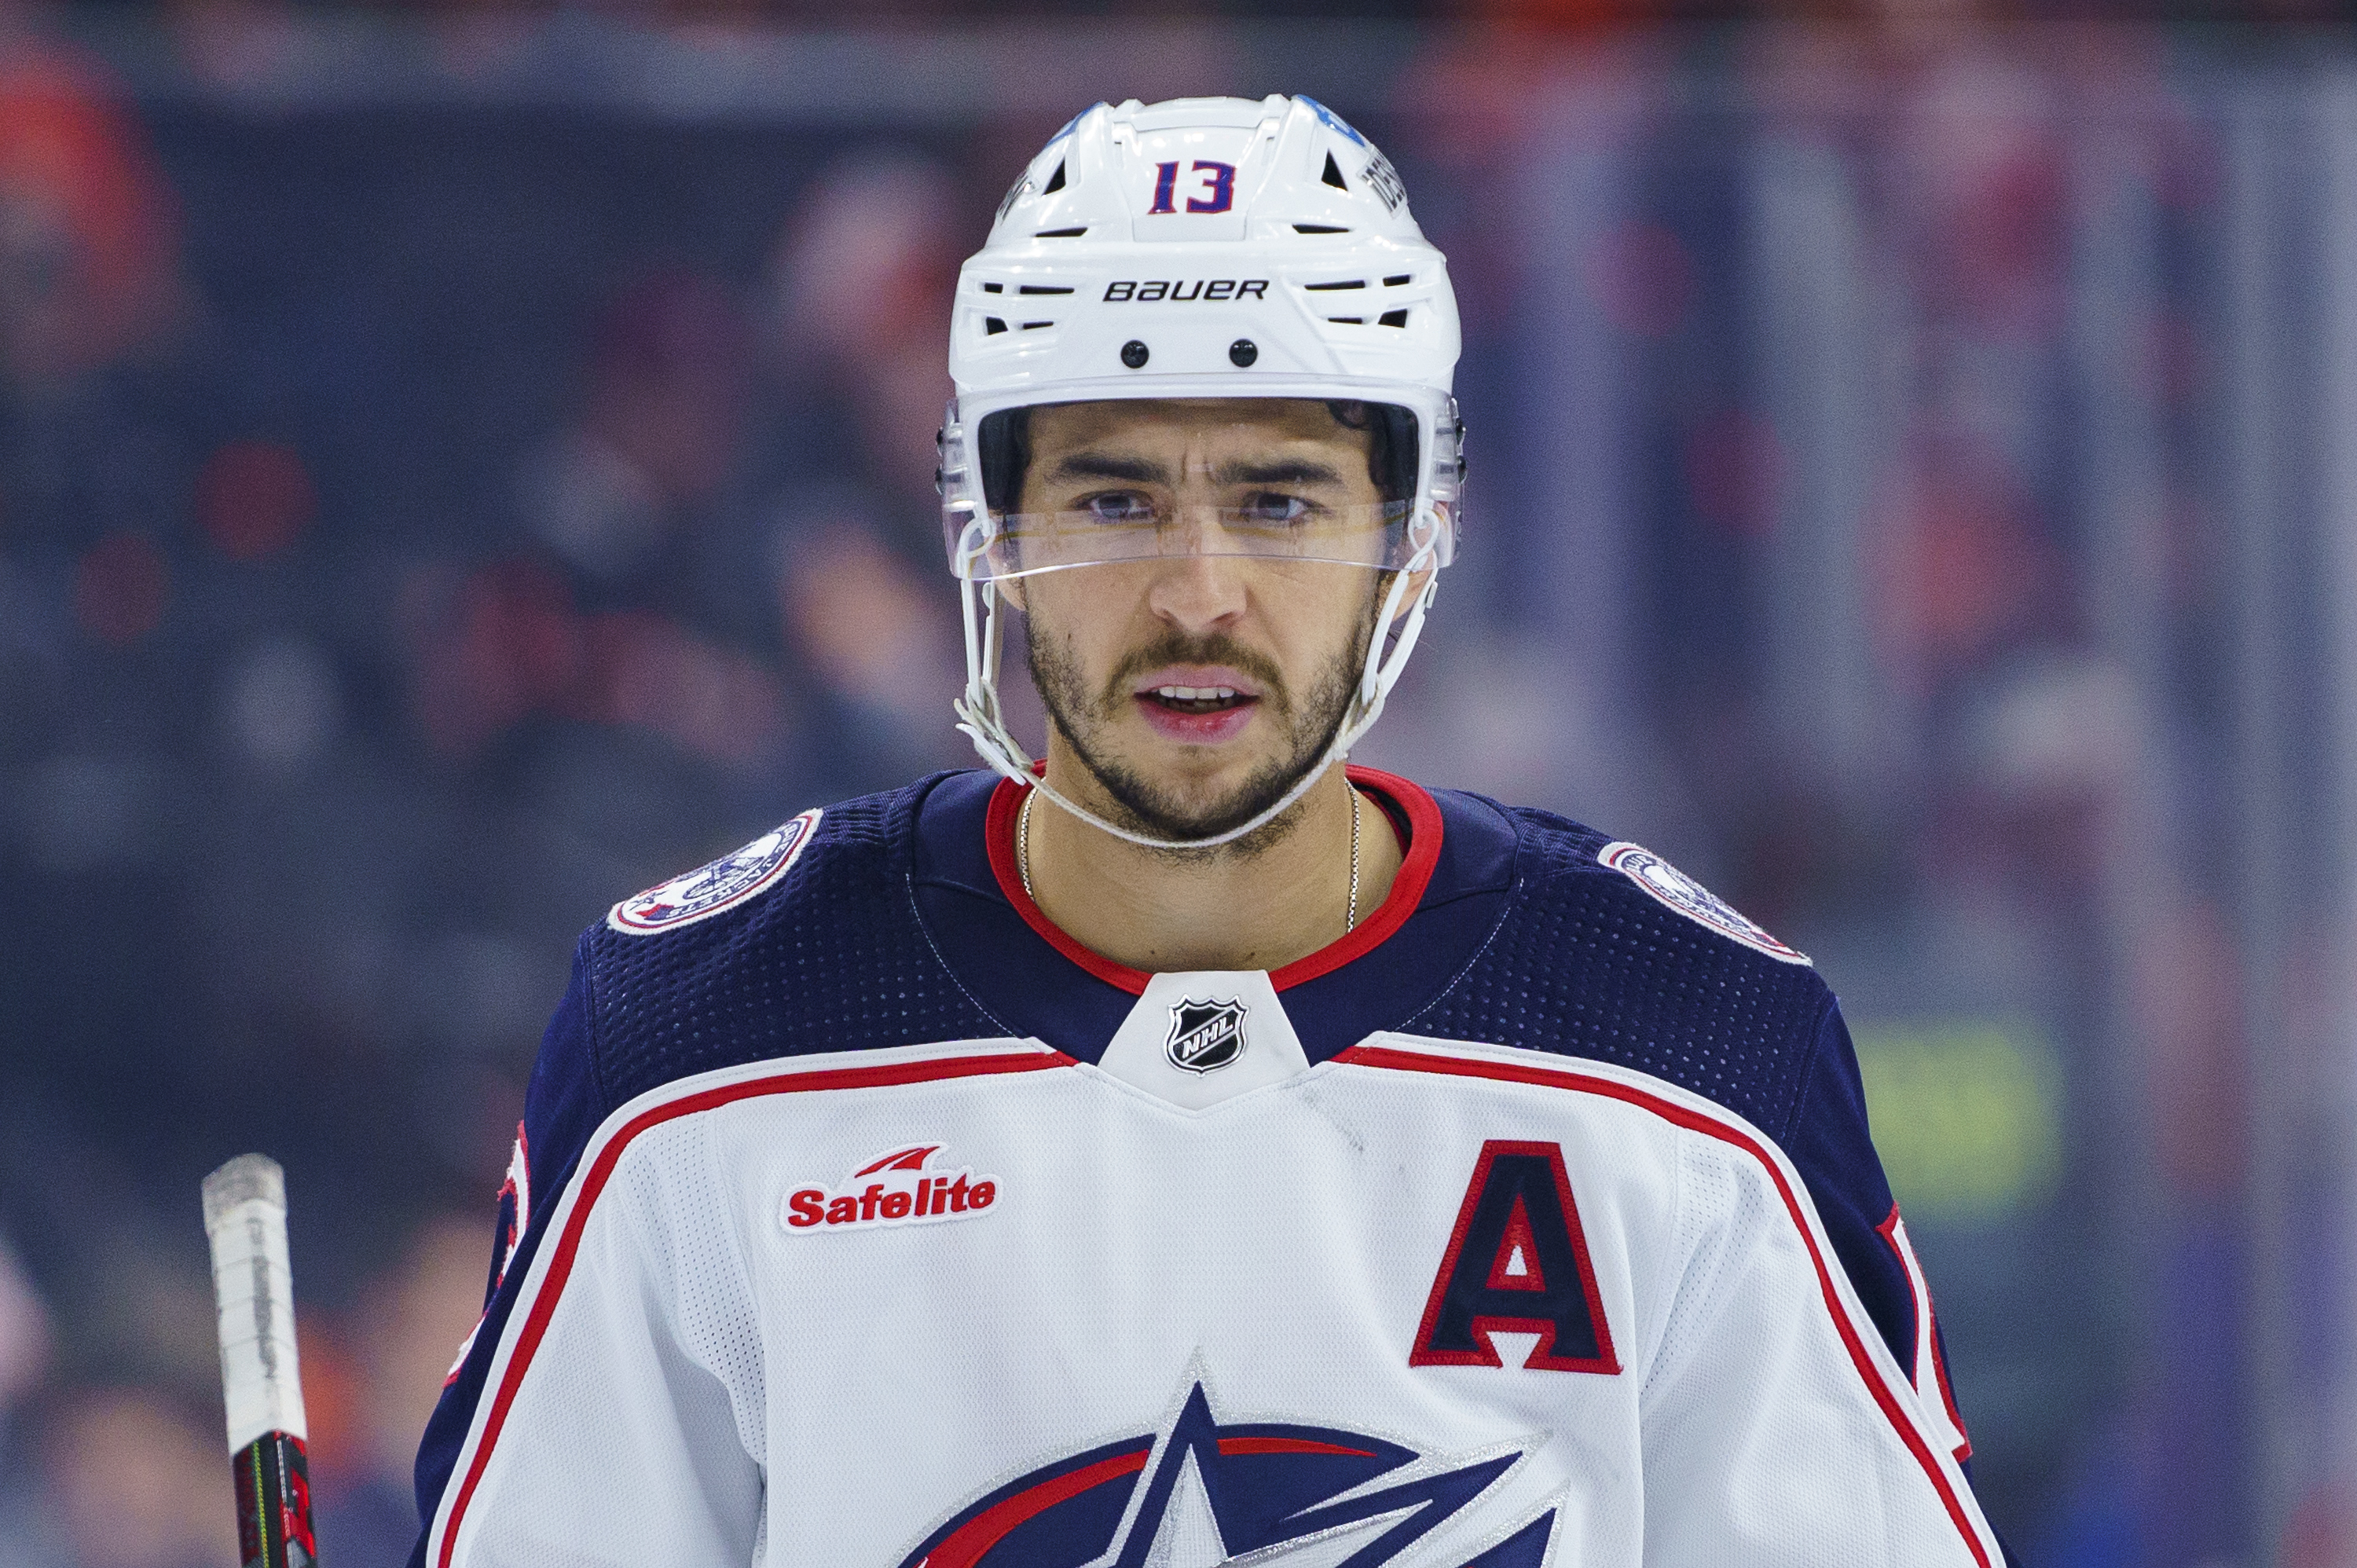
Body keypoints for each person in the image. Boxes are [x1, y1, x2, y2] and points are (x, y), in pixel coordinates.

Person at [408, 95, 2007, 1566]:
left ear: (1411, 533)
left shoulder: (1692, 1050)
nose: (1195, 594)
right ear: (987, 527)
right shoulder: (699, 1046)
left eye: (1279, 501)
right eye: (1113, 501)